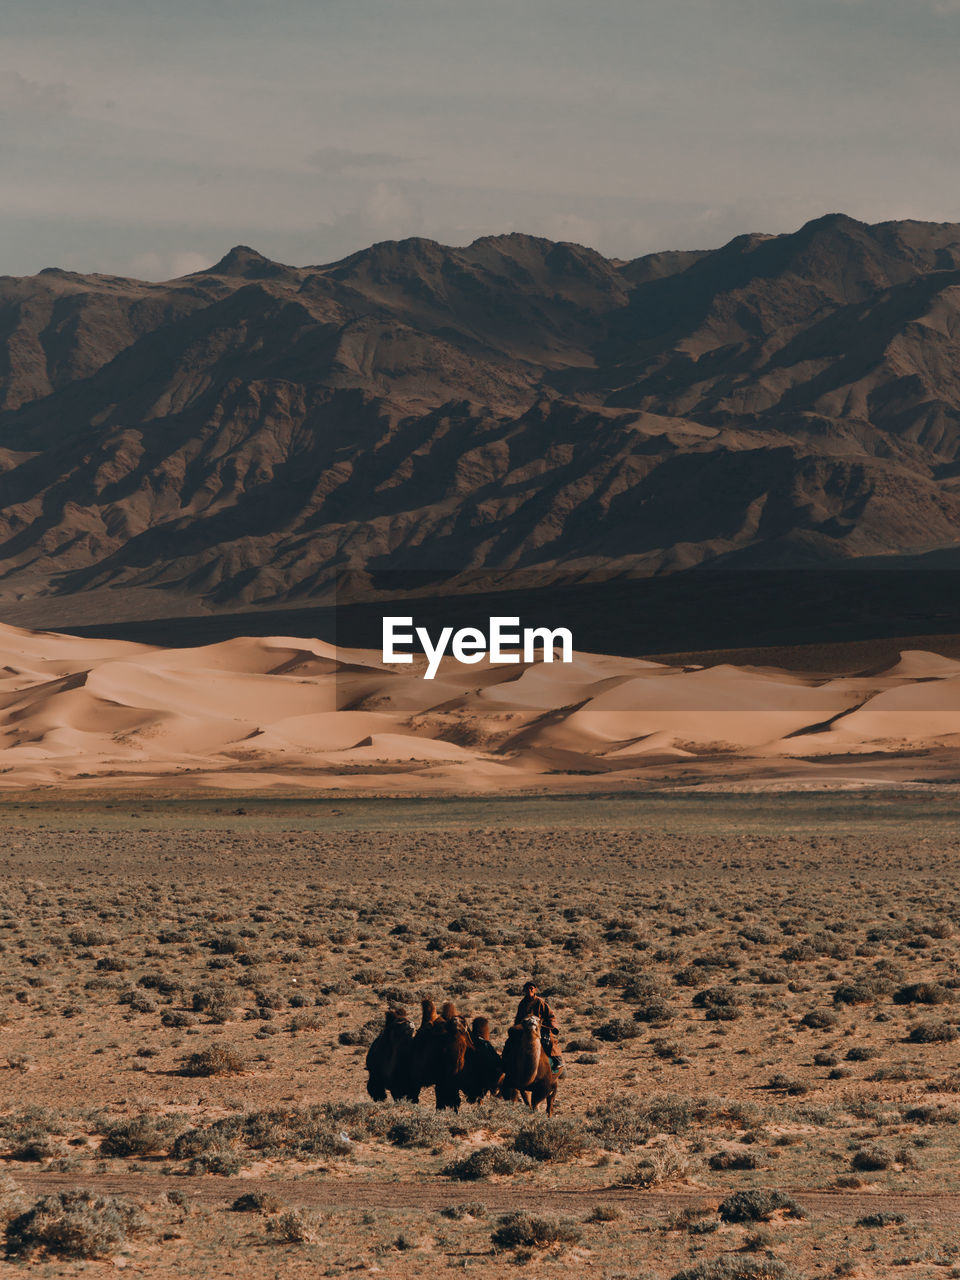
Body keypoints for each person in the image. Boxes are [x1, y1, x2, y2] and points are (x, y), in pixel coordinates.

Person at [515, 980, 562, 1070]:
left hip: (540, 1029)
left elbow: (550, 1016)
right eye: (527, 989)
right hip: (525, 1029)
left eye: (531, 988)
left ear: (535, 990)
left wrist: (554, 1026)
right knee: (511, 1042)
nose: (529, 990)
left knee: (550, 1041)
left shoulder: (540, 1002)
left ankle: (557, 1060)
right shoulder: (522, 1003)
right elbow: (518, 1018)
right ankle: (505, 1063)